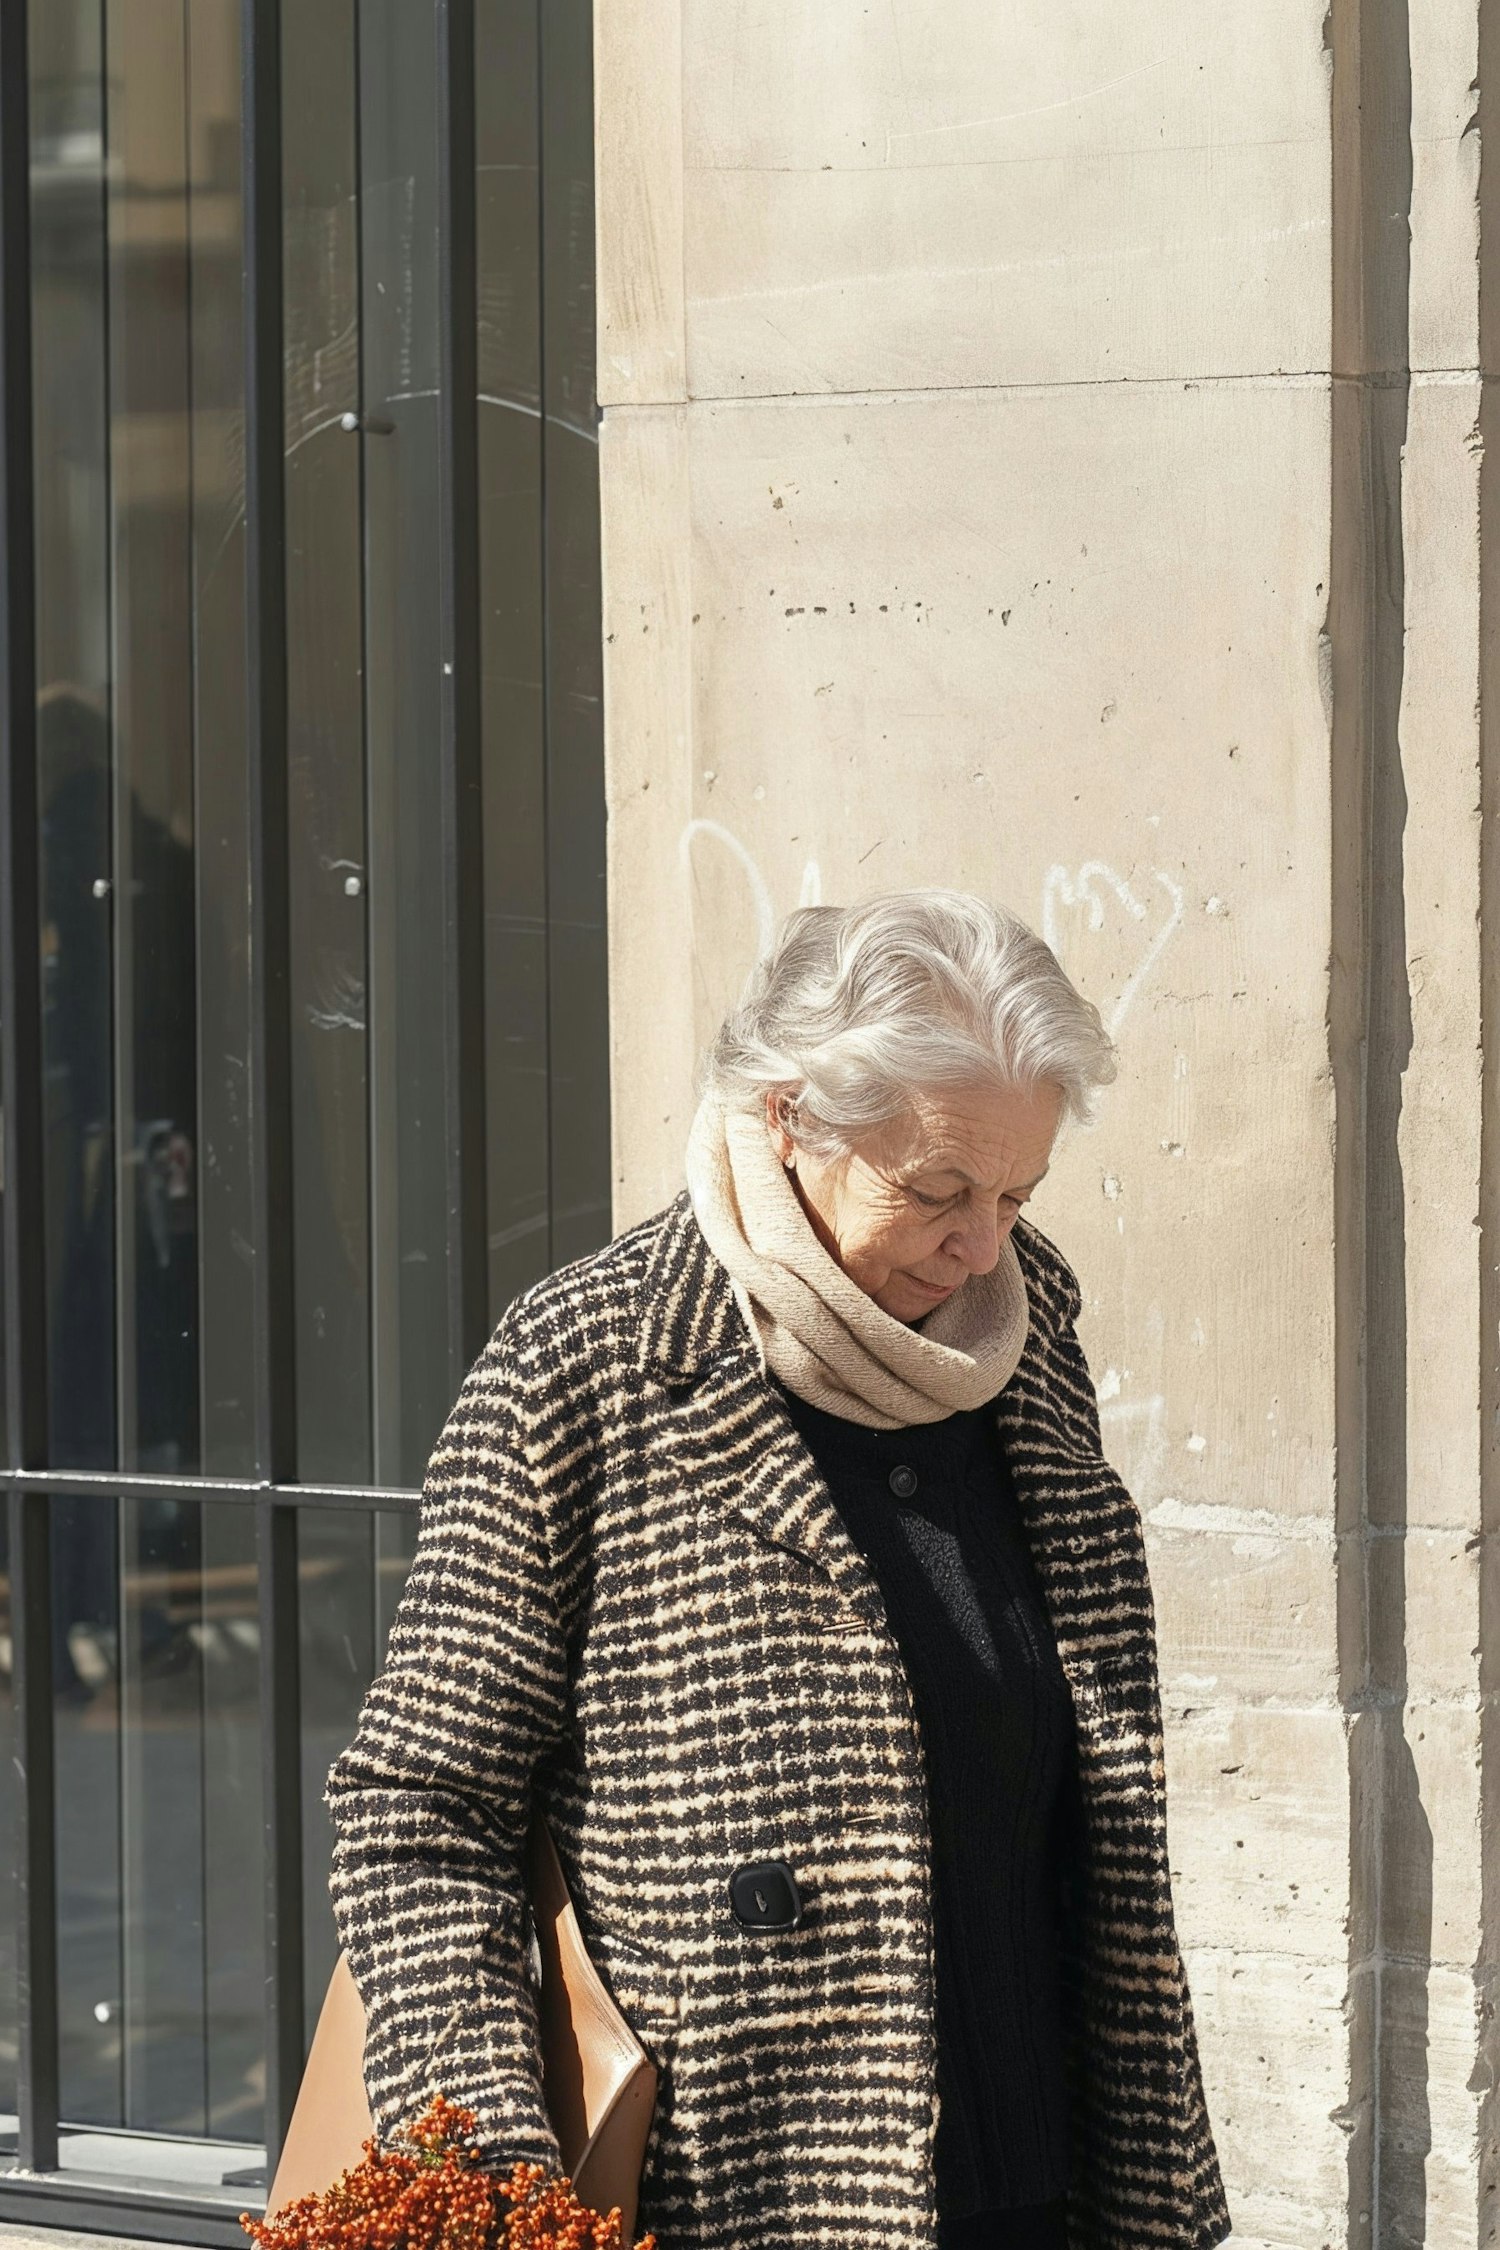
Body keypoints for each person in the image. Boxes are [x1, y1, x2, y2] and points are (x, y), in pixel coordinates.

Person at [324, 890, 1230, 2250]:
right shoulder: (588, 1362)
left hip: (1044, 2177)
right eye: (937, 1191)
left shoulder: (1023, 1339)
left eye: (1014, 1193)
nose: (985, 1243)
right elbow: (418, 1810)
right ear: (792, 1116)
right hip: (735, 2195)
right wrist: (500, 2184)